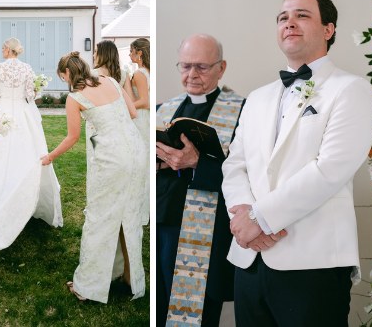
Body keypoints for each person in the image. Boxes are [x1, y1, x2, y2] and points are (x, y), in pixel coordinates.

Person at [222, 0, 372, 327]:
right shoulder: (258, 97)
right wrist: (244, 216)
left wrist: (260, 218)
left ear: (328, 29)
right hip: (249, 258)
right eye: (283, 17)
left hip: (313, 263)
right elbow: (235, 164)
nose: (289, 22)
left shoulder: (351, 90)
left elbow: (330, 170)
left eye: (302, 15)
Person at [43, 50, 146, 303]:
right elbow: (132, 113)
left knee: (100, 218)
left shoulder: (75, 98)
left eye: (62, 77)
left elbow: (72, 137)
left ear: (68, 74)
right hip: (136, 152)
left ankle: (88, 286)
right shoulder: (110, 81)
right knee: (129, 214)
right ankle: (129, 277)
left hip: (111, 159)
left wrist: (50, 157)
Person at [155, 33, 242, 327]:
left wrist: (197, 163)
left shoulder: (243, 110)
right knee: (158, 307)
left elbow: (249, 173)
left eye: (202, 67)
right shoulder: (164, 109)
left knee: (197, 317)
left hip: (204, 231)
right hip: (161, 221)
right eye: (185, 65)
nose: (192, 74)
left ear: (222, 67)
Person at [0, 37, 62, 253]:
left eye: (3, 48)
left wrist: (0, 110)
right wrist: (36, 90)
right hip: (23, 114)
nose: (2, 51)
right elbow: (30, 96)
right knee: (28, 151)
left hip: (4, 110)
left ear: (7, 49)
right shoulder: (27, 68)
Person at [128, 37, 150, 228]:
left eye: (131, 51)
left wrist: (125, 107)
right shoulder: (145, 72)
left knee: (141, 162)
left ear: (139, 53)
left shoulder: (140, 75)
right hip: (143, 118)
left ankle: (141, 209)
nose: (129, 54)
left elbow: (144, 101)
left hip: (142, 118)